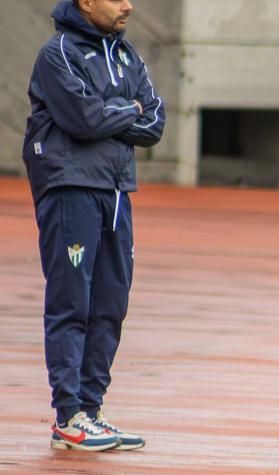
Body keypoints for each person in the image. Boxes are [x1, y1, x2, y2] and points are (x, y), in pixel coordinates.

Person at [23, 0, 165, 452]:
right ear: (86, 2)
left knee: (111, 301)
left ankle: (91, 409)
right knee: (72, 301)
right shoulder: (58, 52)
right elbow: (82, 121)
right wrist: (129, 108)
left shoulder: (128, 55)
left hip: (118, 190)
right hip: (71, 186)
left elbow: (155, 121)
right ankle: (68, 416)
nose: (129, 5)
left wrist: (114, 110)